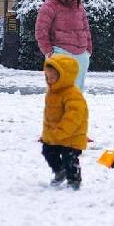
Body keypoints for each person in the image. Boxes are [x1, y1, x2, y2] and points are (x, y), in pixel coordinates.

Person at [35, 0, 93, 91]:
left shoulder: (79, 7)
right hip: (60, 53)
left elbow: (86, 29)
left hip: (81, 55)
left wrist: (88, 50)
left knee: (76, 92)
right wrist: (48, 51)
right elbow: (41, 30)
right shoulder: (50, 6)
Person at [41, 54, 89, 189]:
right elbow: (50, 116)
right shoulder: (52, 92)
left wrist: (62, 131)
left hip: (72, 135)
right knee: (48, 151)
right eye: (47, 77)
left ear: (64, 77)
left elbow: (74, 116)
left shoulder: (72, 94)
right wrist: (47, 134)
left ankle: (74, 180)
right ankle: (59, 171)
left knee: (70, 158)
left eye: (53, 78)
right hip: (56, 134)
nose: (50, 81)